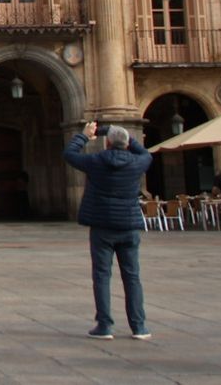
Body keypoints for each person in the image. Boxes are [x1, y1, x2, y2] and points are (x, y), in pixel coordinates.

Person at [63, 120, 152, 340]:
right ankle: (139, 327)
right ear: (127, 143)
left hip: (102, 226)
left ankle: (104, 325)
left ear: (108, 144)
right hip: (128, 225)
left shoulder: (96, 161)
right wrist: (121, 134)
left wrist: (86, 134)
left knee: (102, 275)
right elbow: (144, 152)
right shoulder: (138, 163)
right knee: (132, 277)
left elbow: (69, 153)